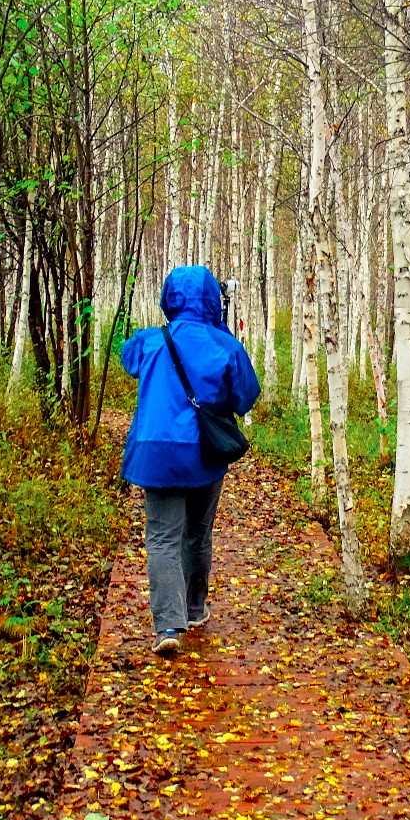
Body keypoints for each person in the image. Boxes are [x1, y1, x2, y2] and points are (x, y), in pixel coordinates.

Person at [119, 266, 260, 657]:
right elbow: (245, 396)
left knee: (163, 537)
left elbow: (127, 358)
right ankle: (195, 609)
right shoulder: (224, 346)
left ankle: (167, 625)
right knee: (197, 534)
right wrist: (222, 332)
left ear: (168, 298)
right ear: (214, 300)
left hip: (157, 452)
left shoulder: (149, 342)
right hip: (204, 452)